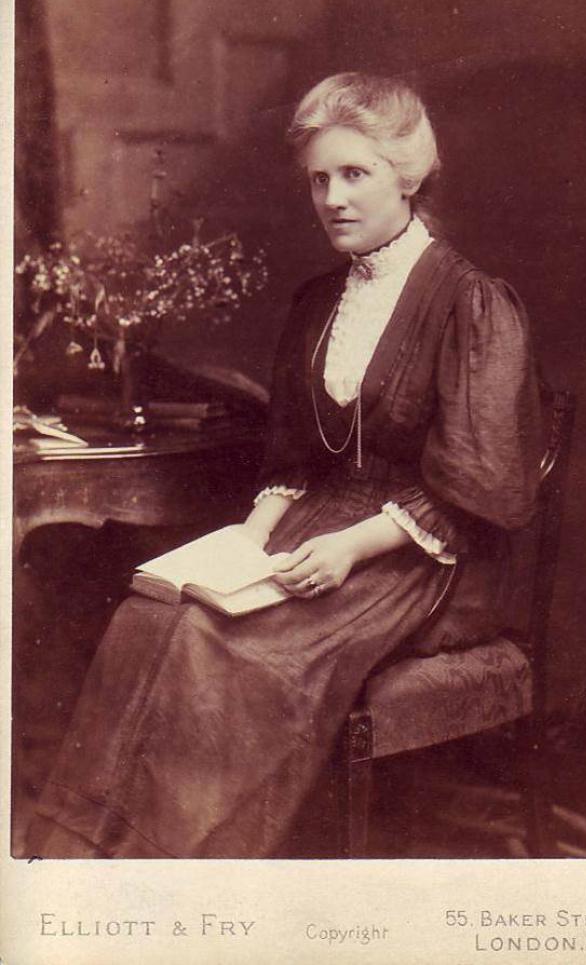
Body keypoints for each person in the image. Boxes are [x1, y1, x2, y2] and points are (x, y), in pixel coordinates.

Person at [26, 72, 542, 859]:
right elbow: (295, 456)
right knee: (152, 614)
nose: (333, 197)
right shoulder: (320, 301)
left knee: (225, 646)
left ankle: (181, 870)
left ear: (406, 174)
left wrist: (348, 548)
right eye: (320, 178)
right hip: (313, 529)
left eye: (355, 173)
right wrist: (251, 532)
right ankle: (87, 863)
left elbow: (480, 484)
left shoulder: (471, 301)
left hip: (420, 556)